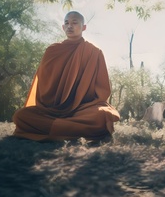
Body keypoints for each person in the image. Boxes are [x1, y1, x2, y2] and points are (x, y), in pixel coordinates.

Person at [12, 11, 120, 142]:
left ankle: (56, 129)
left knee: (103, 114)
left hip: (82, 108)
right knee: (21, 115)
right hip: (51, 110)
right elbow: (44, 85)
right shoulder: (52, 51)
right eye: (66, 23)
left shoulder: (94, 52)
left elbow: (102, 89)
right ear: (63, 27)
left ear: (83, 27)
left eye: (74, 23)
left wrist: (85, 102)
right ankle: (70, 129)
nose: (70, 26)